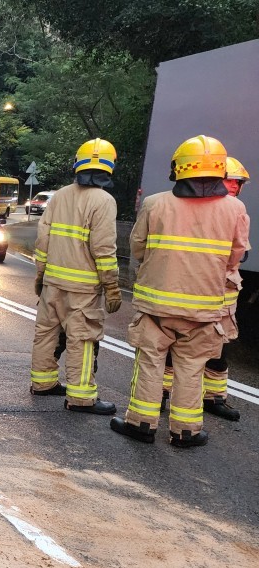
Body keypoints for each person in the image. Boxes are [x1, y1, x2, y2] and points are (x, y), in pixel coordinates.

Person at [111, 136, 250, 447]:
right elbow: (235, 258)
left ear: (178, 168)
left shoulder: (155, 203)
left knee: (150, 363)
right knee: (191, 368)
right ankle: (186, 432)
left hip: (156, 305)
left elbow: (138, 247)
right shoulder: (236, 208)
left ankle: (141, 424)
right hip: (203, 309)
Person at [30, 138, 121, 415]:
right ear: (109, 168)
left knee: (46, 334)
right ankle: (81, 398)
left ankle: (43, 383)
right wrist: (112, 287)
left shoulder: (60, 195)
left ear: (77, 164)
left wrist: (41, 276)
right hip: (82, 288)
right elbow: (104, 250)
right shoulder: (104, 201)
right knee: (82, 339)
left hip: (52, 284)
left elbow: (43, 239)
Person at [159, 156, 249, 421]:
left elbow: (239, 254)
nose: (233, 186)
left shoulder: (237, 209)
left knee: (219, 349)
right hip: (200, 293)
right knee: (178, 347)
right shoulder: (207, 209)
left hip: (224, 297)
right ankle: (163, 394)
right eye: (229, 180)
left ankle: (214, 397)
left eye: (237, 182)